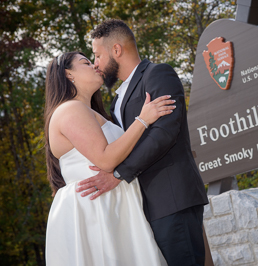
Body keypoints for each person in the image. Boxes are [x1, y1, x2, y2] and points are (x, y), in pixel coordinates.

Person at [76, 19, 209, 265]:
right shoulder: (116, 102)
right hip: (143, 207)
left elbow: (165, 133)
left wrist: (117, 175)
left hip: (171, 199)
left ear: (116, 50)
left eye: (97, 56)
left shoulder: (158, 74)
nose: (95, 64)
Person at [44, 51, 175, 265]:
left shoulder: (91, 112)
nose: (95, 66)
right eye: (86, 62)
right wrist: (143, 120)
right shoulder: (70, 110)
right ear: (68, 75)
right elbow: (105, 159)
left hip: (116, 206)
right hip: (96, 210)